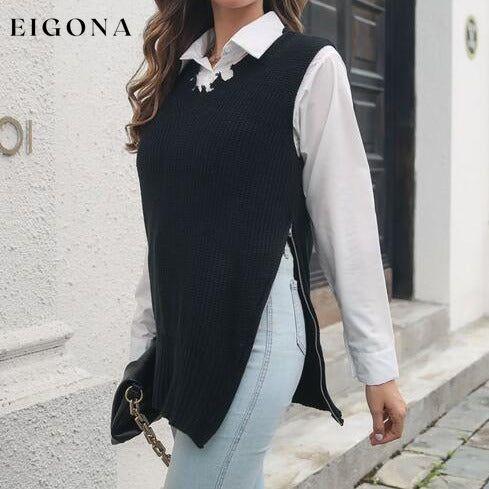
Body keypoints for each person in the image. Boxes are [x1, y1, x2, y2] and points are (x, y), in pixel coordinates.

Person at [125, 1, 407, 488]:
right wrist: (146, 339)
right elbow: (165, 228)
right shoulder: (177, 76)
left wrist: (377, 366)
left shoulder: (309, 65)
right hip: (182, 340)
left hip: (255, 333)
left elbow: (347, 222)